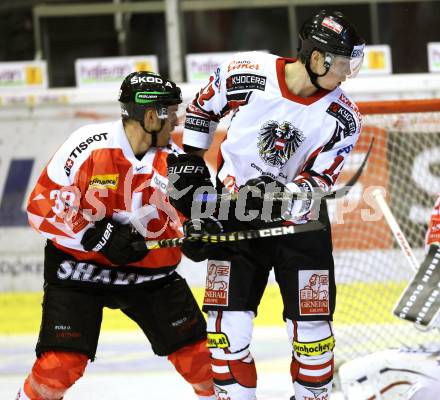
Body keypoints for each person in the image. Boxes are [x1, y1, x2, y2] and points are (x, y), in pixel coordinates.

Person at [167, 10, 365, 400]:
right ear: (315, 58)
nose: (346, 74)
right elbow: (202, 108)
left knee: (313, 335)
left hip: (299, 224)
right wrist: (192, 166)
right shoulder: (248, 70)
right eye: (341, 63)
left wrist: (276, 197)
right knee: (226, 333)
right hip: (234, 214)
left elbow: (320, 181)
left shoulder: (344, 118)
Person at [16, 71, 215, 400]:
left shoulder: (177, 159)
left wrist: (199, 229)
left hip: (150, 275)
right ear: (151, 116)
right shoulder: (87, 146)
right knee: (59, 367)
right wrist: (95, 234)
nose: (177, 121)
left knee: (202, 363)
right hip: (80, 269)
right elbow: (40, 207)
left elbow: (196, 210)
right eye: (171, 112)